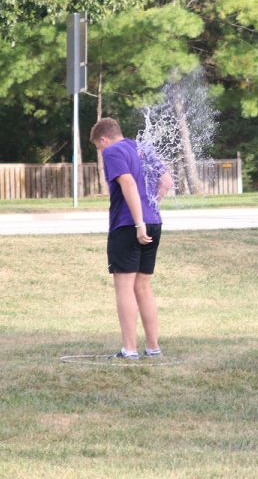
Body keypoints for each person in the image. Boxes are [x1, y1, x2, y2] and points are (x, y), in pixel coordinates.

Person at [90, 118, 174, 360]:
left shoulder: (113, 151)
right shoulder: (142, 147)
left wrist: (138, 223)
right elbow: (166, 182)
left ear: (103, 139)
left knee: (124, 287)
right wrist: (150, 210)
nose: (101, 151)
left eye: (98, 147)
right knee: (143, 286)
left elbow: (126, 182)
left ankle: (129, 349)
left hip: (128, 225)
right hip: (154, 222)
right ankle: (153, 347)